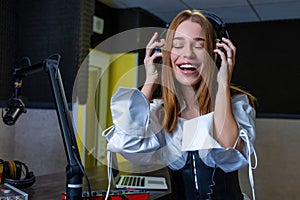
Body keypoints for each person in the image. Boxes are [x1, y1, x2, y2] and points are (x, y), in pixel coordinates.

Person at [104, 9, 257, 200]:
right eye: (178, 45)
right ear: (165, 53)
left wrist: (223, 82)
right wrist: (151, 79)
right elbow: (127, 143)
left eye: (199, 46)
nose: (188, 54)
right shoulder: (161, 113)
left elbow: (229, 148)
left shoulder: (235, 104)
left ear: (214, 54)